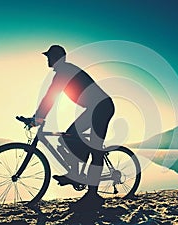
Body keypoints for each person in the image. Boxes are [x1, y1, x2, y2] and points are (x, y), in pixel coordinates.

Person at [32, 45, 115, 207]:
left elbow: (51, 97)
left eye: (49, 56)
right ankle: (75, 174)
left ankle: (93, 195)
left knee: (95, 149)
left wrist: (38, 117)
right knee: (68, 138)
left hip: (102, 107)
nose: (47, 59)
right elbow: (51, 96)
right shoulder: (62, 72)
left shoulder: (65, 71)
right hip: (93, 108)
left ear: (57, 57)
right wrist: (37, 117)